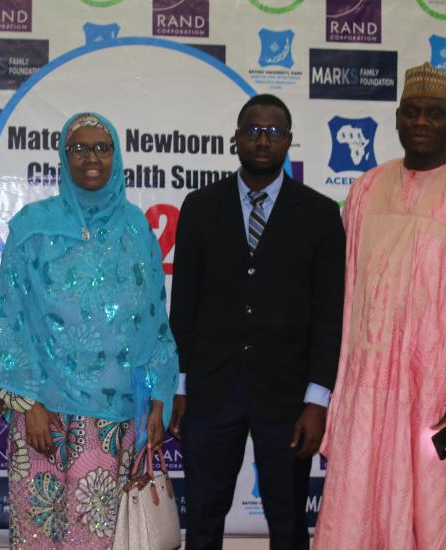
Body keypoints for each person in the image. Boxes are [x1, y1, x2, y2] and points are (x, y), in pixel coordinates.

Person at [313, 63, 446, 550]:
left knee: (439, 512)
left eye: (435, 113)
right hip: (368, 389)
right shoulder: (365, 190)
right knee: (362, 506)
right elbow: (345, 294)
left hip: (439, 390)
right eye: (413, 112)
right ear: (397, 119)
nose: (422, 122)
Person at [0, 112, 178, 550]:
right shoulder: (32, 227)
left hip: (115, 417)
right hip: (42, 414)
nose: (92, 158)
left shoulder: (136, 228)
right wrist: (26, 403)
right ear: (63, 157)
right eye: (79, 148)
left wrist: (159, 399)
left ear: (116, 156)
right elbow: (12, 317)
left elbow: (154, 320)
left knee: (98, 537)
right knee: (39, 532)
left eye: (102, 148)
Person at [169, 94, 345, 550]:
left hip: (288, 397)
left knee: (288, 522)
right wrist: (180, 385)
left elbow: (330, 314)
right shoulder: (201, 206)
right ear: (235, 139)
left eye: (273, 131)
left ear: (288, 140)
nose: (262, 140)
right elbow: (183, 303)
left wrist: (317, 400)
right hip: (210, 392)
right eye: (252, 130)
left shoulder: (320, 214)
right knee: (203, 516)